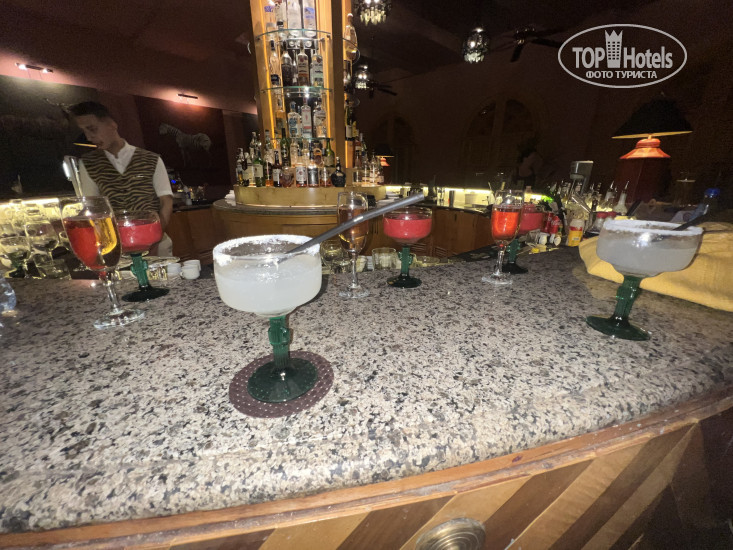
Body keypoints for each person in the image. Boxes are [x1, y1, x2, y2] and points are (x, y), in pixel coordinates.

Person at [69, 101, 173, 256]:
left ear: (112, 125)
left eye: (92, 129)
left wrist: (155, 238)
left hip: (157, 243)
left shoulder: (151, 159)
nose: (89, 137)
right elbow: (92, 206)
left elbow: (166, 201)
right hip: (117, 247)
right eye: (84, 131)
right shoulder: (89, 163)